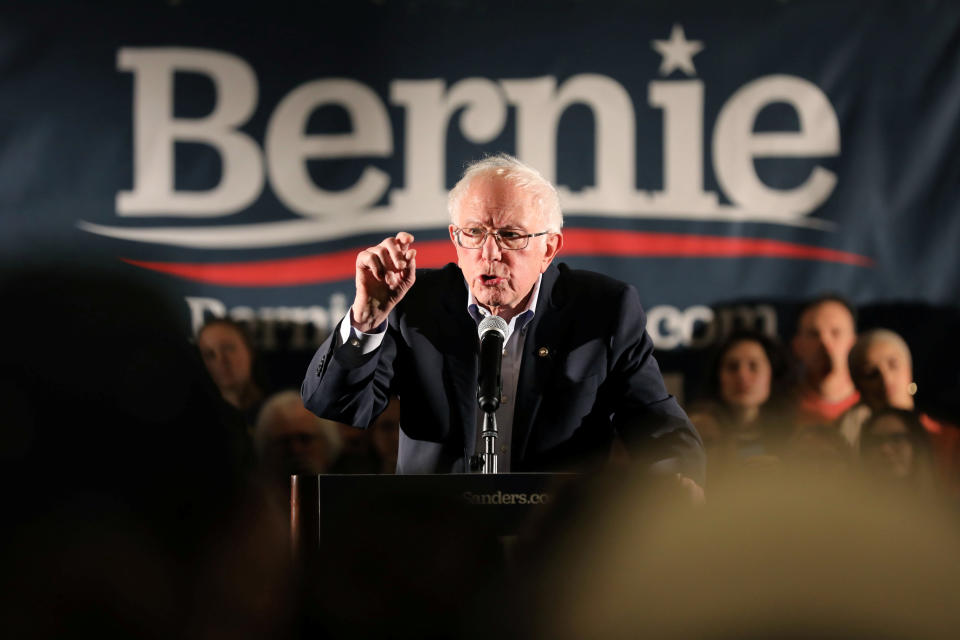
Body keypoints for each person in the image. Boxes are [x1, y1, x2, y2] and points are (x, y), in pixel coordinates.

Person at [302, 154, 704, 483]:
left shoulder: (601, 309)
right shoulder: (414, 302)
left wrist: (674, 480)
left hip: (554, 543)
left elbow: (659, 426)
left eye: (511, 235)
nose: (489, 253)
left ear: (549, 248)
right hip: (436, 541)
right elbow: (337, 405)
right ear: (455, 240)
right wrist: (366, 319)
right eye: (474, 232)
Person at [841, 328, 960, 493]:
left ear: (909, 370)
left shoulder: (949, 441)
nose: (886, 378)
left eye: (893, 364)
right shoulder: (847, 442)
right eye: (871, 373)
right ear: (857, 384)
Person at [698, 330, 796, 477]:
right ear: (718, 377)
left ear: (772, 374)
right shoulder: (701, 439)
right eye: (732, 367)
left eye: (753, 366)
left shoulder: (794, 439)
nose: (742, 376)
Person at [790, 294, 860, 426]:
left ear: (854, 343)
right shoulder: (778, 412)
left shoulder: (872, 412)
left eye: (836, 332)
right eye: (813, 334)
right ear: (797, 345)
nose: (824, 343)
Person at [197, 317, 266, 427]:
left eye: (228, 348)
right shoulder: (196, 421)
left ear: (250, 350)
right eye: (209, 354)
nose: (221, 360)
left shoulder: (279, 414)